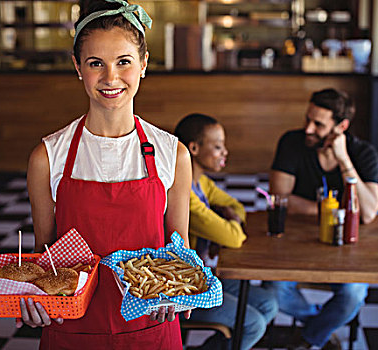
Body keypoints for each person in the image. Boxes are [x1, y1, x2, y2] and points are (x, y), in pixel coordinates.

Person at [20, 1, 192, 348]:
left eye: (123, 62)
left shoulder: (173, 154)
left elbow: (179, 247)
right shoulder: (48, 157)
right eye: (96, 63)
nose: (110, 78)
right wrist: (33, 300)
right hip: (71, 330)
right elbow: (44, 257)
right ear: (78, 67)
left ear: (143, 64)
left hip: (151, 328)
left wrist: (179, 291)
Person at [269, 88, 378, 350]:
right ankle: (320, 326)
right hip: (294, 242)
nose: (308, 128)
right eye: (308, 119)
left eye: (318, 124)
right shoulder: (292, 142)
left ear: (341, 127)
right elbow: (280, 198)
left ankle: (309, 337)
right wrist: (330, 211)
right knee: (274, 291)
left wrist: (343, 160)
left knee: (353, 295)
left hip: (345, 248)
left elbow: (368, 212)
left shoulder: (363, 153)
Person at [175, 113, 278, 350]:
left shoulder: (200, 183)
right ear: (194, 148)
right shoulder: (184, 194)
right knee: (253, 323)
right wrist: (228, 221)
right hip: (183, 288)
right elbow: (234, 237)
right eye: (218, 146)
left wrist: (228, 216)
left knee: (269, 303)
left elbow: (238, 208)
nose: (225, 153)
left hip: (204, 275)